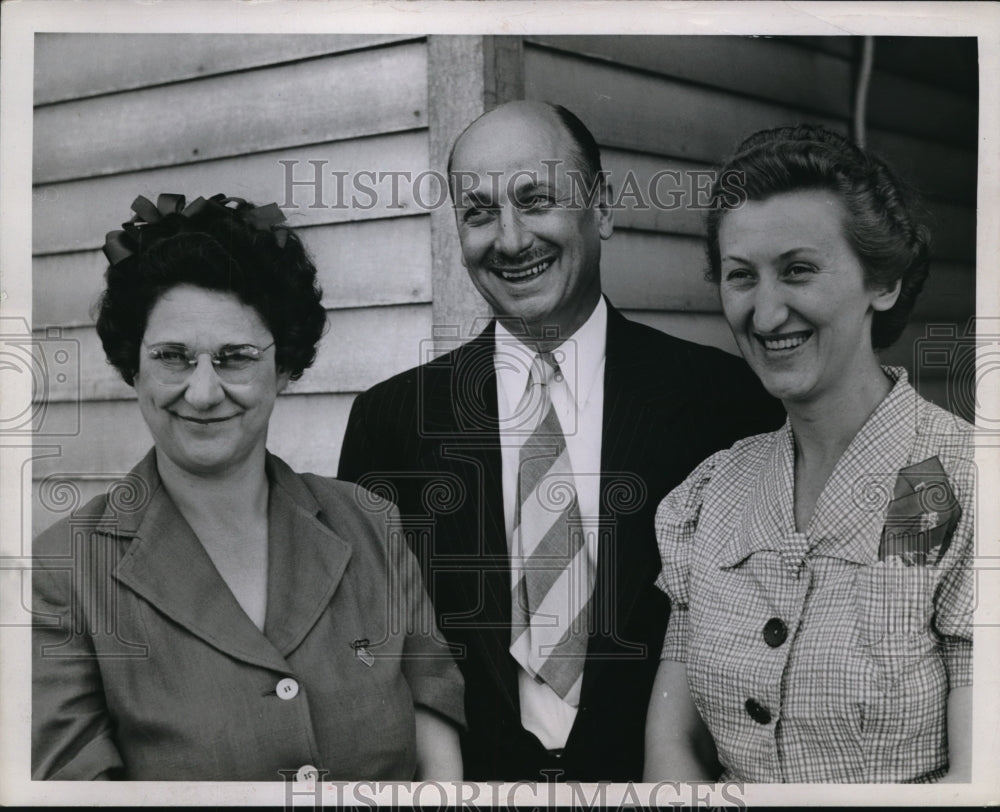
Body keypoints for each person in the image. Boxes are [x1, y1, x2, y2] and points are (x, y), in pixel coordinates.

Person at [337, 100, 783, 780]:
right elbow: (373, 652)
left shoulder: (722, 402)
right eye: (479, 212)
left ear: (601, 209)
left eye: (536, 200)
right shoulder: (392, 420)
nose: (511, 240)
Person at [31, 193, 465, 781]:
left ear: (283, 367)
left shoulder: (369, 524)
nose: (204, 392)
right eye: (172, 357)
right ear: (133, 367)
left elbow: (436, 757)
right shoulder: (64, 572)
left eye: (235, 357)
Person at [643, 125, 974, 783]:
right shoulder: (707, 498)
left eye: (798, 270)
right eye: (741, 277)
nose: (766, 316)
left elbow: (980, 780)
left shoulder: (964, 484)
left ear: (882, 282)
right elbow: (672, 746)